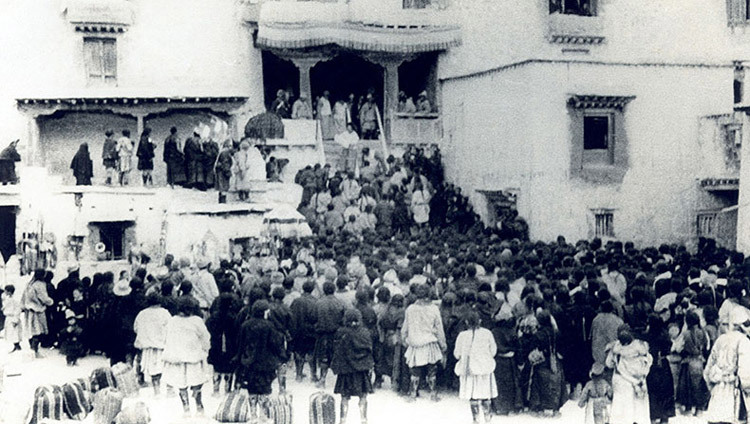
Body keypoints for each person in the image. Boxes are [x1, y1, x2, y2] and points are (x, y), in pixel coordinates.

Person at [235, 300, 285, 420]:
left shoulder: (245, 325)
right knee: (265, 388)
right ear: (264, 312)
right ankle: (263, 414)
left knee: (252, 388)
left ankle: (252, 414)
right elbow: (275, 344)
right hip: (266, 363)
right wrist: (282, 355)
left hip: (249, 361)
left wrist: (239, 358)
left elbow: (240, 343)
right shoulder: (269, 326)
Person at [162, 297, 211, 416]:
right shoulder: (197, 321)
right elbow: (205, 337)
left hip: (177, 357)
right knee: (196, 382)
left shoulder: (172, 321)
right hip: (193, 357)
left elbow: (166, 338)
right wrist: (205, 350)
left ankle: (186, 408)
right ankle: (199, 406)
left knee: (181, 384)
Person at [703, 308, 750, 424]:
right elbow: (745, 373)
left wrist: (712, 387)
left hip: (717, 393)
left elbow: (707, 370)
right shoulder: (743, 341)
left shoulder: (720, 340)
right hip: (735, 394)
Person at [401, 283, 446, 401]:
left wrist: (405, 339)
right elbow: (439, 328)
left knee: (414, 371)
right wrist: (443, 344)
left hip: (415, 343)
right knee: (432, 370)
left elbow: (405, 328)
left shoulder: (410, 309)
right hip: (430, 342)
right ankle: (433, 394)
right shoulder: (434, 309)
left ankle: (412, 394)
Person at [454, 310, 497, 424]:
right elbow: (493, 351)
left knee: (472, 395)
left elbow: (456, 354)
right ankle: (488, 419)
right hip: (485, 369)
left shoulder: (462, 335)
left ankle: (476, 419)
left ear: (466, 322)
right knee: (485, 394)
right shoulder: (488, 333)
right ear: (480, 321)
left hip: (469, 370)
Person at [332, 309, 374, 424]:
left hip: (346, 371)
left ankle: (342, 420)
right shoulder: (364, 332)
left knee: (344, 397)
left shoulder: (341, 332)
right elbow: (369, 349)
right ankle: (363, 420)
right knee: (363, 396)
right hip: (361, 370)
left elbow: (337, 351)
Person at [605, 324, 652, 424]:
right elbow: (649, 361)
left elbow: (608, 364)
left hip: (620, 380)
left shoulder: (616, 348)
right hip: (639, 381)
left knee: (621, 409)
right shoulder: (641, 347)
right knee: (639, 408)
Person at [207, 279, 242, 395]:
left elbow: (208, 325)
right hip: (231, 344)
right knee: (229, 366)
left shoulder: (215, 314)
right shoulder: (234, 317)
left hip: (216, 342)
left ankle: (215, 389)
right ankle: (227, 389)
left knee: (216, 366)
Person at [133, 293, 172, 396]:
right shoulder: (164, 313)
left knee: (153, 370)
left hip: (148, 346)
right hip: (162, 345)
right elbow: (171, 327)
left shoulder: (142, 314)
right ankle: (169, 389)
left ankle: (157, 391)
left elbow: (136, 328)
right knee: (167, 367)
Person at [315, 281, 346, 388]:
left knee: (323, 357)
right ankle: (340, 382)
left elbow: (315, 318)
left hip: (322, 334)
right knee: (337, 356)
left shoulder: (319, 302)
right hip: (336, 334)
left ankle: (322, 379)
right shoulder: (340, 302)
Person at [21, 269, 54, 358]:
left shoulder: (29, 284)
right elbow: (44, 298)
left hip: (29, 310)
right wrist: (51, 302)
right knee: (38, 331)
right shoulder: (40, 284)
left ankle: (32, 350)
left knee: (32, 330)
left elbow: (23, 297)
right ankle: (35, 351)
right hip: (38, 310)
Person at [2, 284, 22, 352]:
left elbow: (18, 310)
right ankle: (15, 347)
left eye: (6, 291)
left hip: (13, 318)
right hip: (8, 318)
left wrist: (15, 320)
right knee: (11, 333)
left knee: (15, 334)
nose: (5, 292)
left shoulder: (15, 300)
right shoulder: (7, 299)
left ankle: (17, 347)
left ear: (9, 291)